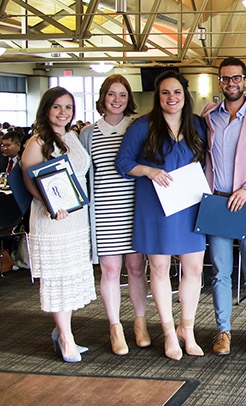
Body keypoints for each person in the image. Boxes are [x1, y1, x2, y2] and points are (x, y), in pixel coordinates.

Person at [116, 71, 207, 361]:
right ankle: (168, 331)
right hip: (156, 206)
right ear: (158, 96)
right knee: (159, 268)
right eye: (165, 93)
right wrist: (149, 170)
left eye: (177, 92)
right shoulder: (142, 126)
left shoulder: (197, 125)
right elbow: (124, 163)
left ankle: (187, 328)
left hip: (191, 204)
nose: (171, 98)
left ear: (185, 95)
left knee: (194, 269)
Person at [202, 57, 246, 356]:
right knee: (220, 271)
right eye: (225, 78)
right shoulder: (208, 115)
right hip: (216, 201)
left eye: (236, 78)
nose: (230, 83)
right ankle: (223, 330)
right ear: (220, 82)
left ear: (245, 81)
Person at [21, 87, 96, 362]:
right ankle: (66, 338)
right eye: (57, 107)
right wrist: (52, 206)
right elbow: (31, 180)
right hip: (52, 217)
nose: (63, 112)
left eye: (68, 107)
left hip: (75, 217)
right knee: (58, 277)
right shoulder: (37, 141)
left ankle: (61, 330)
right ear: (46, 109)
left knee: (71, 274)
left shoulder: (72, 136)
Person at [79, 74, 150, 356]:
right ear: (102, 98)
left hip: (134, 209)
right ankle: (114, 326)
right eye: (111, 94)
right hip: (105, 211)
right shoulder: (88, 133)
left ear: (128, 99)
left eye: (122, 95)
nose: (117, 100)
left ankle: (140, 323)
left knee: (136, 268)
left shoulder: (137, 128)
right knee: (109, 270)